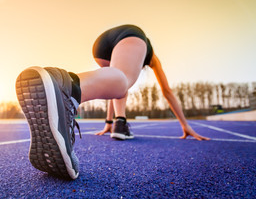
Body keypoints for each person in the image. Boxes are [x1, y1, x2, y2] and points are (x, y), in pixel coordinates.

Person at [16, 24, 209, 180]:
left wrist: (108, 122)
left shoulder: (123, 52)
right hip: (130, 33)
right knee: (124, 80)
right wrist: (185, 125)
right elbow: (167, 91)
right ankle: (68, 87)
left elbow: (109, 84)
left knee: (116, 81)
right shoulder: (151, 56)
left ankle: (117, 122)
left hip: (101, 46)